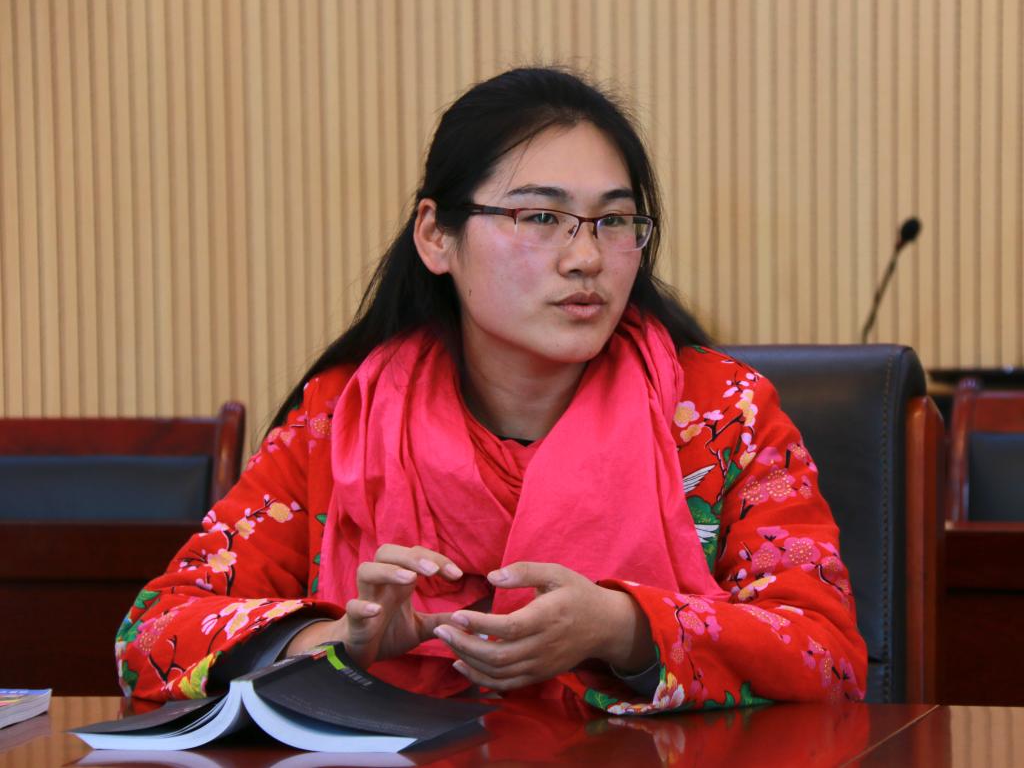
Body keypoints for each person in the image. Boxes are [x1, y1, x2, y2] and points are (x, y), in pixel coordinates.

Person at [116, 67, 866, 713]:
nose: (585, 257)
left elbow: (828, 653)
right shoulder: (340, 416)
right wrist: (341, 639)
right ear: (436, 236)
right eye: (540, 217)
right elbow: (150, 635)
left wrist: (622, 628)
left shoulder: (720, 413)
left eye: (613, 221)